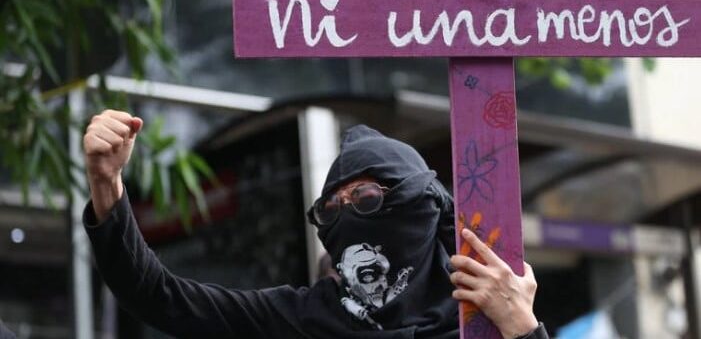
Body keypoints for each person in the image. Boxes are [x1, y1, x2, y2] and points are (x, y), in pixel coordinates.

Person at [82, 109, 549, 339]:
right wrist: (107, 185)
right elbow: (159, 297)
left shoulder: (484, 313)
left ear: (419, 204)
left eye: (365, 197)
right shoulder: (313, 318)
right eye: (330, 210)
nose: (346, 216)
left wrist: (524, 329)